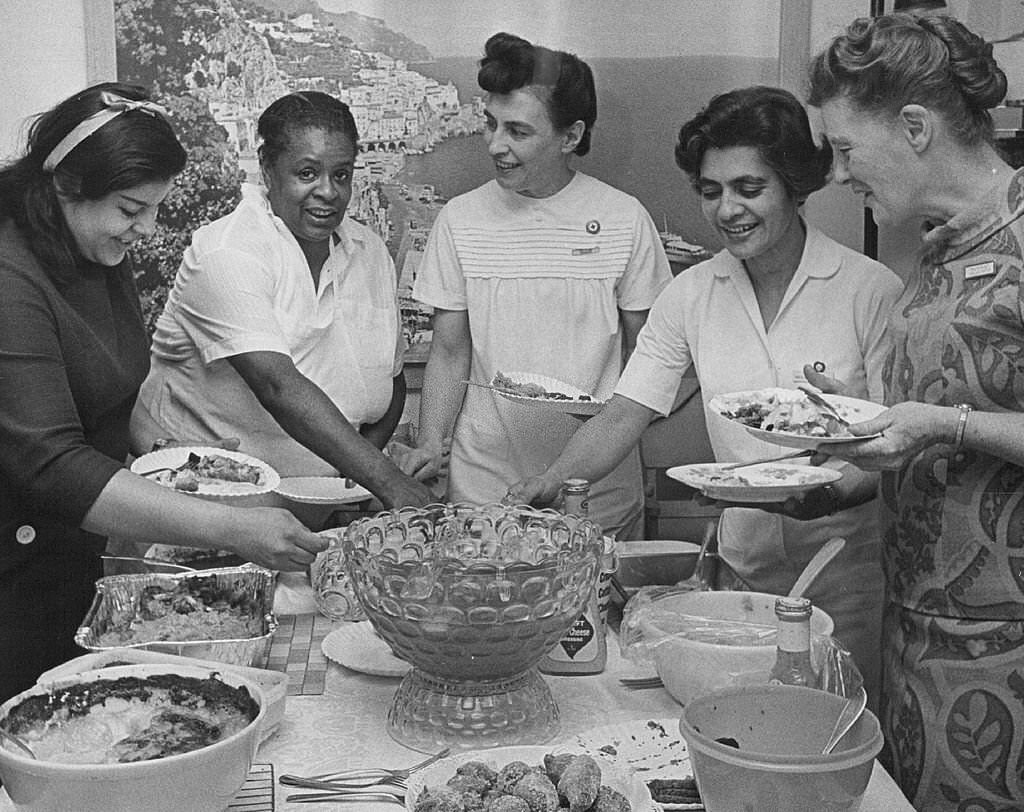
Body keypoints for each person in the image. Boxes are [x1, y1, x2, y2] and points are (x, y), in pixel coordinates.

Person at [509, 86, 903, 704]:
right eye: (711, 190)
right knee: (743, 727)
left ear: (796, 185)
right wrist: (549, 484)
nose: (728, 210)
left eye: (750, 188)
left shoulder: (869, 290)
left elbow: (894, 446)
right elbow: (627, 410)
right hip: (739, 579)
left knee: (830, 735)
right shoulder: (692, 294)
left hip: (845, 576)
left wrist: (828, 491)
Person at [0, 83, 329, 702]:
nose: (146, 229)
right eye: (131, 209)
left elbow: (111, 388)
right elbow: (52, 465)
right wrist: (230, 526)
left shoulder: (93, 246)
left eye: (152, 208)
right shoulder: (8, 275)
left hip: (71, 559)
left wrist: (172, 456)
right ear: (68, 185)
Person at [807, 13, 1024, 809]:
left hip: (1006, 660)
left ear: (915, 126)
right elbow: (937, 441)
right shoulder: (938, 252)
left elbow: (952, 424)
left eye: (843, 148)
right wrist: (854, 462)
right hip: (921, 648)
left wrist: (945, 423)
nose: (837, 175)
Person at [401, 32, 671, 539]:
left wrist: (618, 436)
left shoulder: (623, 220)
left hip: (595, 487)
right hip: (484, 485)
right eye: (490, 124)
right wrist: (430, 445)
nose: (495, 145)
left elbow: (649, 357)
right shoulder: (460, 220)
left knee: (596, 614)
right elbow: (449, 352)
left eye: (518, 132)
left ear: (570, 136)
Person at [131, 91, 433, 510]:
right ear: (268, 169)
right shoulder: (227, 253)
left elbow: (391, 378)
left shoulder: (371, 251)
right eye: (307, 173)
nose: (328, 191)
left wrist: (353, 475)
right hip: (206, 505)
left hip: (321, 507)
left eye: (341, 175)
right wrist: (388, 481)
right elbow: (278, 386)